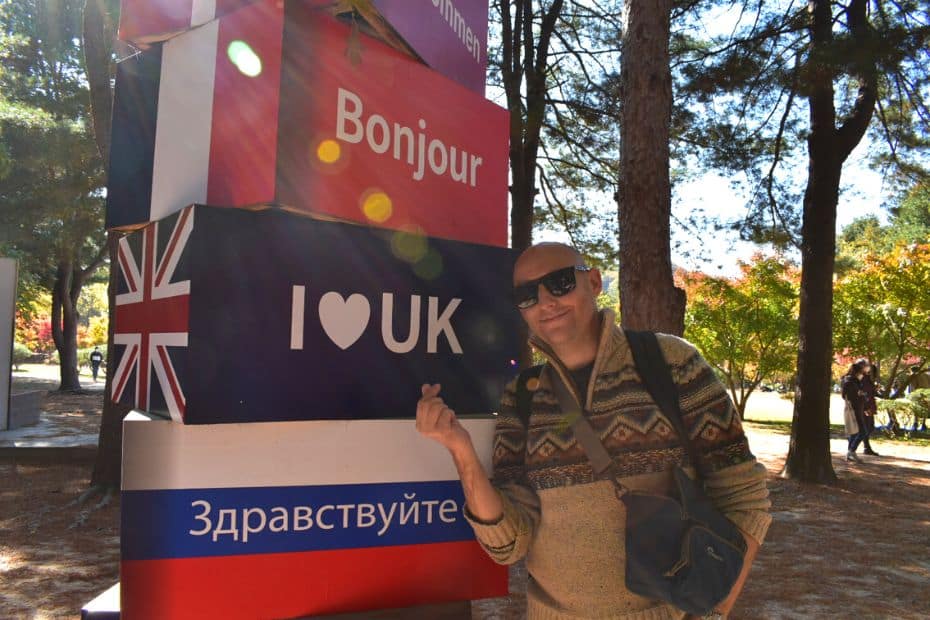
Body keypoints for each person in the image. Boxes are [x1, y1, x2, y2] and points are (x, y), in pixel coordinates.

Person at [416, 242, 771, 619]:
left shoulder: (672, 363)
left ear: (595, 281)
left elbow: (745, 499)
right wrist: (461, 450)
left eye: (560, 282)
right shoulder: (522, 397)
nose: (545, 301)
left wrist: (715, 612)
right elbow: (509, 545)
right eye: (527, 295)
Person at [841, 360, 870, 462]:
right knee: (862, 431)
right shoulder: (850, 381)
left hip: (858, 408)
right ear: (858, 372)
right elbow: (847, 395)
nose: (863, 375)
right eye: (862, 373)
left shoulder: (854, 381)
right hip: (854, 409)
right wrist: (862, 396)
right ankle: (851, 451)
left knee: (855, 432)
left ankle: (850, 453)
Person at [860, 361, 879, 456]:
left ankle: (866, 446)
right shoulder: (865, 380)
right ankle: (865, 446)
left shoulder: (869, 381)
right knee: (867, 426)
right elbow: (865, 393)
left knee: (870, 426)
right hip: (866, 407)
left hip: (869, 406)